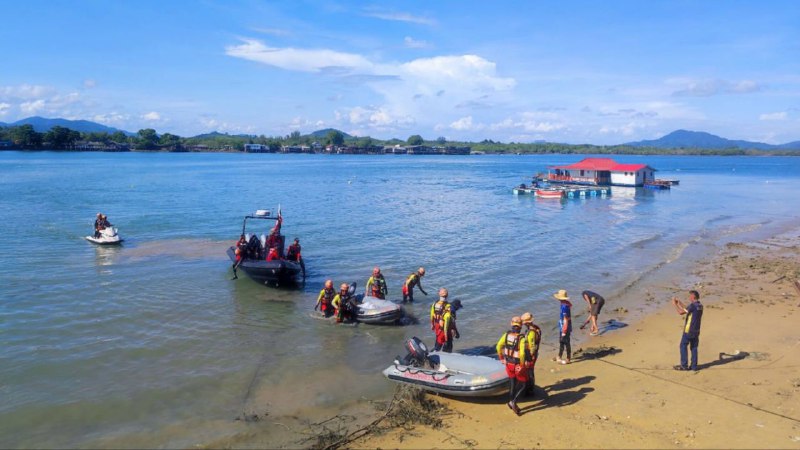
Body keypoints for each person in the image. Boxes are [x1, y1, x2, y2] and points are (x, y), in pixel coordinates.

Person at [497, 316, 527, 416]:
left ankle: (510, 400)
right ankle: (513, 401)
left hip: (508, 363)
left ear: (511, 324)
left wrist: (501, 358)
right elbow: (522, 354)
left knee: (512, 383)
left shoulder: (506, 335)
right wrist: (522, 365)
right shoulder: (521, 338)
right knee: (523, 384)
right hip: (517, 364)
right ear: (521, 326)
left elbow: (498, 346)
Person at [672, 290, 703, 371]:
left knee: (683, 345)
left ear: (693, 297)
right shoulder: (699, 305)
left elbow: (681, 312)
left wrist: (675, 305)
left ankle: (684, 365)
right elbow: (687, 309)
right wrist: (679, 303)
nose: (689, 297)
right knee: (694, 347)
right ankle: (694, 366)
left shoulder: (693, 306)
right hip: (696, 330)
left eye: (690, 296)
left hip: (689, 331)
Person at [521, 312, 542, 397]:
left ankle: (530, 390)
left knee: (529, 372)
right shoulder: (536, 328)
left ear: (527, 323)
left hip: (531, 355)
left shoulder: (531, 333)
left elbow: (532, 346)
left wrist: (529, 357)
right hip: (534, 353)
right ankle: (530, 388)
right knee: (530, 371)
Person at [554, 289, 572, 364]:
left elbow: (566, 319)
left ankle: (568, 358)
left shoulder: (564, 307)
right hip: (564, 325)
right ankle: (559, 356)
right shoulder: (565, 304)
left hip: (565, 326)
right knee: (562, 341)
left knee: (565, 342)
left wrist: (564, 330)